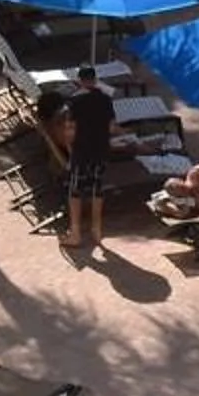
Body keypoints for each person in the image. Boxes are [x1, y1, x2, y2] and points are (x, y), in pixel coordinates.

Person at [62, 64, 118, 255]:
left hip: (82, 150)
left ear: (79, 81)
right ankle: (97, 229)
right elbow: (111, 127)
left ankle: (76, 231)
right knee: (97, 188)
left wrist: (69, 150)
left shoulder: (74, 101)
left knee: (76, 190)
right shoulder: (106, 99)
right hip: (101, 149)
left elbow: (70, 129)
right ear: (95, 80)